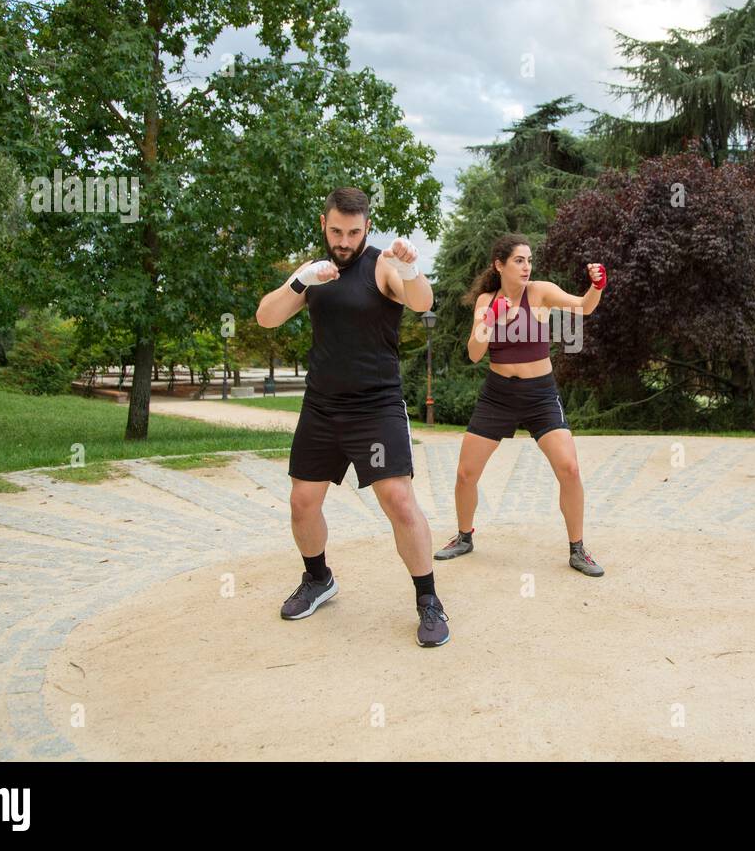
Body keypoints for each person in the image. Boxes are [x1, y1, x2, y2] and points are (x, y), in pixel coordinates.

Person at [255, 187, 450, 648]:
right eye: (337, 231)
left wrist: (411, 269)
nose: (344, 241)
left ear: (367, 227)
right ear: (324, 223)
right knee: (303, 500)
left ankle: (428, 601)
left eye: (354, 232)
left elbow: (422, 303)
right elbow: (266, 318)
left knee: (399, 501)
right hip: (322, 405)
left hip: (376, 407)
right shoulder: (314, 271)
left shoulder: (382, 265)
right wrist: (300, 280)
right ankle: (318, 579)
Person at [434, 233, 606, 575]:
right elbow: (473, 353)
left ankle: (578, 549)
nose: (527, 266)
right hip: (498, 395)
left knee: (569, 469)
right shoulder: (487, 299)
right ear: (500, 265)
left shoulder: (539, 292)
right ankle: (465, 537)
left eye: (529, 260)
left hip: (540, 395)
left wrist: (596, 286)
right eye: (519, 260)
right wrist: (490, 321)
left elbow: (583, 307)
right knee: (466, 473)